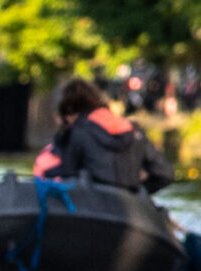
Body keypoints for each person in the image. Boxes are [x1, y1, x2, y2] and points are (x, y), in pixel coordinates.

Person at [35, 77, 174, 194]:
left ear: (70, 111)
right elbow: (165, 174)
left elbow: (66, 175)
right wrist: (136, 192)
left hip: (89, 209)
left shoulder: (77, 132)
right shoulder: (134, 131)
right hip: (129, 211)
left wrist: (44, 172)